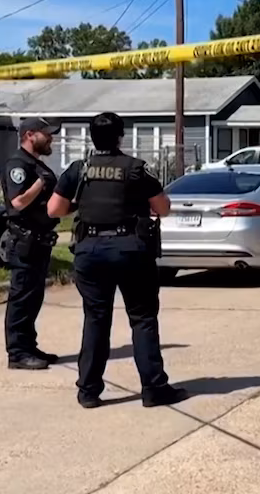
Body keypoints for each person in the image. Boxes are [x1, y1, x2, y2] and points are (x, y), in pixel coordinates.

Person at [47, 112, 187, 409]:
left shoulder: (79, 169)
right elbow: (163, 208)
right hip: (131, 250)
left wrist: (81, 205)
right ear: (120, 137)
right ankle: (154, 389)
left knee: (96, 320)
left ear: (92, 138)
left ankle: (88, 391)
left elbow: (54, 209)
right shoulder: (136, 169)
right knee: (143, 319)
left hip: (90, 250)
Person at [0, 117, 61, 371]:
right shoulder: (18, 164)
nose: (51, 138)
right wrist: (40, 184)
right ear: (30, 135)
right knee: (22, 297)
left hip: (40, 241)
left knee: (33, 298)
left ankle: (28, 346)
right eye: (46, 134)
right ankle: (17, 353)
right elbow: (18, 202)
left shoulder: (37, 165)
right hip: (24, 241)